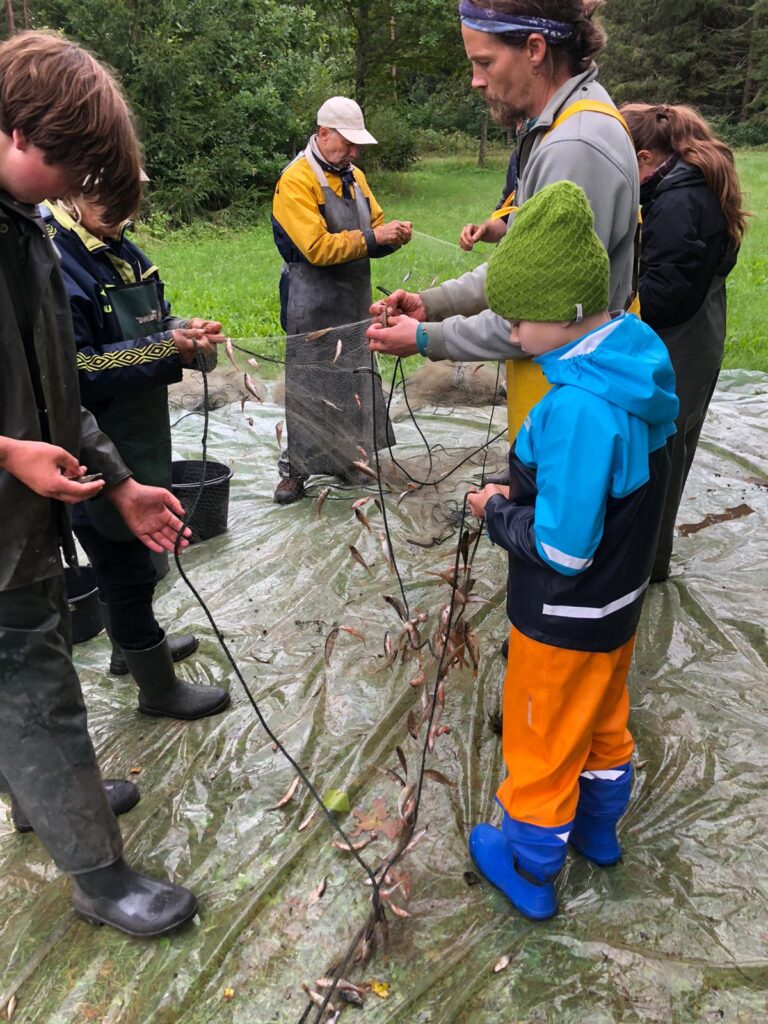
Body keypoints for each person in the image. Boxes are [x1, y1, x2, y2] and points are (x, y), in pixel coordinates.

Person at [0, 29, 199, 937]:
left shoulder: (28, 235)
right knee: (31, 675)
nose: (78, 184)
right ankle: (98, 877)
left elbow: (59, 391)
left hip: (30, 514)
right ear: (17, 131)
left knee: (22, 670)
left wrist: (118, 484)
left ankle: (45, 799)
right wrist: (6, 452)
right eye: (70, 161)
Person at [465, 181, 678, 921]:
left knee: (541, 740)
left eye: (518, 317)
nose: (511, 330)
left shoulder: (577, 410)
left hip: (563, 618)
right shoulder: (632, 368)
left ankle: (529, 863)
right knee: (603, 720)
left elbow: (561, 546)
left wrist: (496, 510)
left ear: (566, 312)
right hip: (617, 614)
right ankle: (599, 831)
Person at [367, 0, 639, 441]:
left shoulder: (575, 146)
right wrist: (433, 303)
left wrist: (425, 339)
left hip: (574, 411)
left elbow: (544, 319)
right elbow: (525, 274)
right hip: (561, 398)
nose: (476, 80)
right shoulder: (559, 126)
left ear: (534, 48)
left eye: (484, 62)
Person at [41, 192, 230, 719]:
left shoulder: (123, 252)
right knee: (124, 569)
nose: (125, 217)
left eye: (131, 205)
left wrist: (182, 331)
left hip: (138, 433)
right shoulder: (58, 260)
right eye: (113, 203)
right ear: (73, 191)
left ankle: (130, 649)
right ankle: (158, 689)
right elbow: (75, 371)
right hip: (90, 446)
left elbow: (151, 324)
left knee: (131, 564)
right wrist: (168, 351)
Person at [619, 103, 747, 582]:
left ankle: (640, 566)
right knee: (672, 449)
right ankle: (648, 558)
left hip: (677, 345)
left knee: (658, 457)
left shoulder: (677, 201)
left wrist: (606, 317)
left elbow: (665, 295)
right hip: (700, 334)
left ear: (647, 158)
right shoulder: (690, 183)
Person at [271, 96, 412, 504]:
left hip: (355, 299)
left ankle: (353, 460)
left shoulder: (355, 177)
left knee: (353, 379)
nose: (354, 152)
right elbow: (316, 247)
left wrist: (393, 236)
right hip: (309, 300)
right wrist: (373, 239)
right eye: (347, 143)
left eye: (357, 145)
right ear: (323, 134)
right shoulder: (296, 180)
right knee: (309, 383)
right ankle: (296, 470)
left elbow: (377, 225)